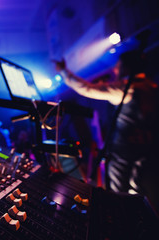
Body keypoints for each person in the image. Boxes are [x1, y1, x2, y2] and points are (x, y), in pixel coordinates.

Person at [54, 50, 159, 211]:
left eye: (118, 67)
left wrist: (64, 71)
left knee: (120, 196)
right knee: (140, 193)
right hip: (148, 151)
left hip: (124, 151)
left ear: (126, 67)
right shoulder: (152, 87)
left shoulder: (126, 88)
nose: (116, 71)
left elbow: (86, 89)